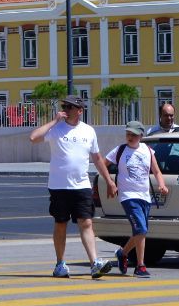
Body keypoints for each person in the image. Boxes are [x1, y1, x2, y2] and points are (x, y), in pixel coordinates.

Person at [30, 95, 118, 279]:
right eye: (65, 106)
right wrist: (54, 120)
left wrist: (109, 181)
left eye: (70, 107)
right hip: (59, 186)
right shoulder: (56, 129)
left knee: (86, 222)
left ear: (80, 110)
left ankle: (94, 264)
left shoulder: (88, 131)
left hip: (82, 185)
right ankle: (60, 264)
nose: (66, 109)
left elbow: (97, 158)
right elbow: (33, 137)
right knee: (60, 224)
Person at [107, 120, 168, 278]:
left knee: (140, 231)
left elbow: (156, 171)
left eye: (133, 134)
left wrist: (162, 185)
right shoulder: (119, 151)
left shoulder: (147, 151)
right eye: (128, 134)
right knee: (141, 229)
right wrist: (110, 182)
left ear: (141, 135)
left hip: (144, 196)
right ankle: (140, 266)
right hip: (128, 196)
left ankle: (123, 253)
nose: (130, 137)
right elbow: (102, 164)